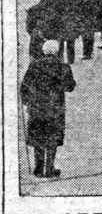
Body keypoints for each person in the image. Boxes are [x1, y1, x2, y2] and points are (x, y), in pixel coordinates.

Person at [20, 40, 76, 177]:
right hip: (55, 108)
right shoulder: (63, 67)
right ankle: (49, 168)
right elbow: (70, 87)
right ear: (56, 51)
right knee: (52, 137)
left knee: (38, 137)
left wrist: (26, 101)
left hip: (37, 107)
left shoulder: (33, 66)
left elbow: (24, 86)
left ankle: (38, 168)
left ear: (44, 51)